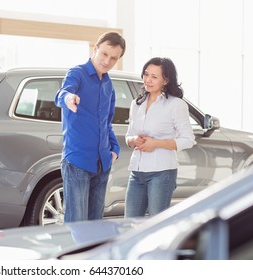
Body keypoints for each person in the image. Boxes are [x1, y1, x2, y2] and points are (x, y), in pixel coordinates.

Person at [55, 31, 126, 223]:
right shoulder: (77, 73)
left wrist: (115, 150)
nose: (107, 61)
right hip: (78, 161)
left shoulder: (108, 85)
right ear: (95, 49)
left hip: (102, 163)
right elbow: (62, 93)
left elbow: (106, 122)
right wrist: (69, 98)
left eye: (113, 58)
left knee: (95, 226)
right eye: (104, 54)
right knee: (76, 223)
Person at [124, 57, 196, 217]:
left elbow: (188, 139)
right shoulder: (136, 104)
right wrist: (133, 140)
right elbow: (129, 135)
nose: (148, 80)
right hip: (136, 172)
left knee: (156, 224)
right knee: (129, 223)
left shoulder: (176, 105)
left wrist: (156, 143)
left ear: (166, 80)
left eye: (154, 77)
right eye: (146, 74)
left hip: (162, 173)